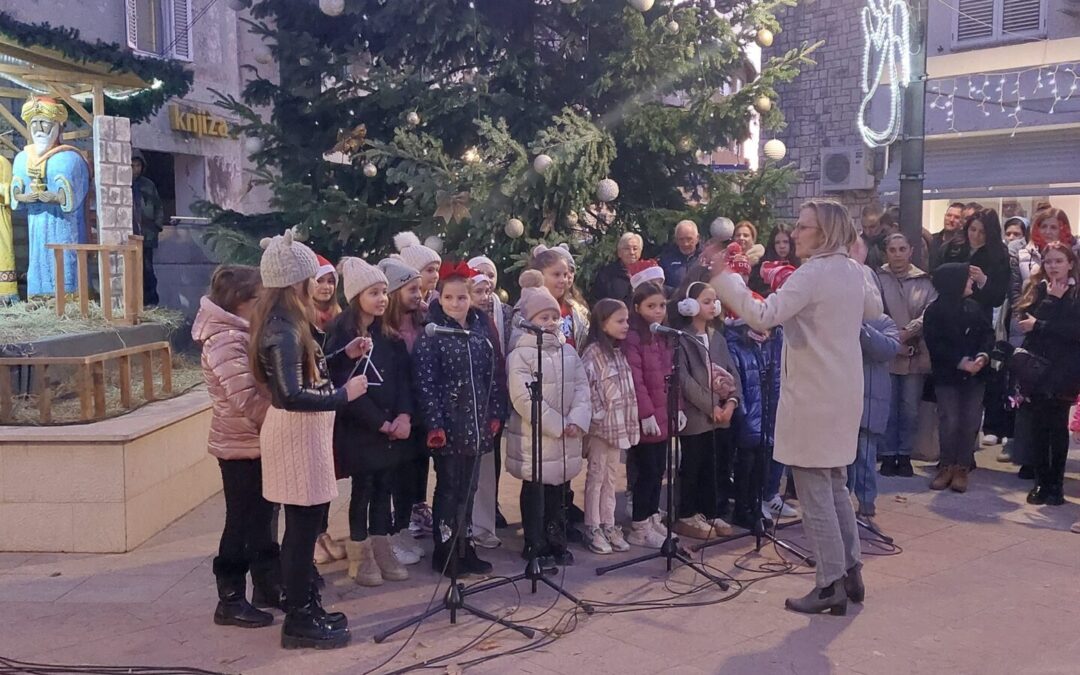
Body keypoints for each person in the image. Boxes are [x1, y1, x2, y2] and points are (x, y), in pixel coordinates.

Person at [708, 198, 883, 616]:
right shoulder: (855, 272)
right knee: (834, 482)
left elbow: (763, 316)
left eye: (804, 226)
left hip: (814, 395)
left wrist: (726, 280)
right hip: (841, 392)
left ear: (823, 233)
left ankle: (829, 583)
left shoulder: (814, 273)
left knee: (814, 490)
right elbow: (874, 310)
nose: (795, 232)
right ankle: (851, 570)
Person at [250, 229, 370, 650]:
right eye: (310, 276)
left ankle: (307, 605)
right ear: (296, 283)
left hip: (307, 436)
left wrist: (342, 357)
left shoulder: (289, 322)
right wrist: (344, 394)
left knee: (307, 524)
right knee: (301, 533)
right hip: (296, 438)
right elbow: (290, 394)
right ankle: (298, 618)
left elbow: (305, 374)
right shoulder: (281, 329)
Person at [192, 265, 277, 629]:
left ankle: (266, 586)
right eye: (259, 299)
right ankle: (229, 599)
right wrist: (281, 421)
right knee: (241, 523)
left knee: (260, 520)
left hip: (253, 442)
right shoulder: (226, 340)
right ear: (241, 302)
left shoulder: (240, 332)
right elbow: (246, 398)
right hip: (239, 445)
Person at [412, 262, 507, 577]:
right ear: (440, 298)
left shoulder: (480, 331)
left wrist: (495, 412)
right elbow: (425, 384)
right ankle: (446, 549)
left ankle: (467, 547)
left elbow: (492, 375)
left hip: (477, 424)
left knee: (469, 486)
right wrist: (435, 423)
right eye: (449, 298)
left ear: (470, 298)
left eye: (461, 298)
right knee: (449, 487)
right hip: (448, 426)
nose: (455, 304)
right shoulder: (433, 334)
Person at [325, 258, 413, 586]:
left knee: (384, 488)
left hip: (391, 427)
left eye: (384, 292)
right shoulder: (340, 335)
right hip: (360, 430)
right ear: (356, 296)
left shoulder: (388, 335)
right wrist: (378, 422)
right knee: (363, 490)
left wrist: (404, 415)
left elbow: (405, 378)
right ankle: (360, 556)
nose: (382, 299)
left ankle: (382, 544)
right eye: (374, 293)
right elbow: (342, 384)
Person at [505, 272, 591, 566]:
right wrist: (555, 424)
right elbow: (523, 397)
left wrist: (576, 419)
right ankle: (534, 542)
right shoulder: (522, 354)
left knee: (557, 492)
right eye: (544, 318)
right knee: (535, 491)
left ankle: (556, 540)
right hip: (538, 437)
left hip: (565, 436)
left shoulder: (568, 351)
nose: (551, 323)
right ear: (529, 321)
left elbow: (582, 386)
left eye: (554, 317)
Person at [669, 280, 741, 540]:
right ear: (689, 306)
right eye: (707, 301)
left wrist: (731, 402)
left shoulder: (717, 338)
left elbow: (733, 372)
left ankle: (711, 511)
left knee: (717, 466)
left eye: (715, 301)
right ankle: (687, 513)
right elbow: (685, 380)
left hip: (721, 417)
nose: (713, 306)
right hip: (697, 416)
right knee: (693, 465)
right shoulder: (682, 339)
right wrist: (711, 406)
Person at [1012, 242, 1080, 506]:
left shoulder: (1076, 293)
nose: (1053, 267)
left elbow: (1074, 332)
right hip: (1038, 368)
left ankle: (1056, 485)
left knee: (1058, 428)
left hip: (1066, 369)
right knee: (1039, 427)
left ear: (1070, 263)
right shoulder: (1038, 289)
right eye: (1049, 261)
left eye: (1059, 261)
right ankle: (1041, 482)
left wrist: (1042, 325)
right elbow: (1025, 325)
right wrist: (1050, 301)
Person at [921, 263, 994, 494]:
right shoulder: (934, 311)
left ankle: (963, 466)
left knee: (971, 420)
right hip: (947, 375)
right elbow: (935, 344)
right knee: (949, 420)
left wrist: (983, 357)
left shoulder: (974, 307)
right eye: (966, 278)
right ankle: (946, 465)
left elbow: (987, 334)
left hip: (975, 375)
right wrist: (960, 362)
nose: (970, 282)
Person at [724, 286, 792, 527]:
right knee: (746, 465)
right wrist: (742, 417)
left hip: (768, 416)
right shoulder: (735, 345)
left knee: (762, 465)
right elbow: (738, 384)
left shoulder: (773, 343)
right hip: (747, 418)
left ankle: (756, 505)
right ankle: (743, 509)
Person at [11, 96, 90, 297]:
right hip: (36, 223)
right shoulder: (23, 158)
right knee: (37, 259)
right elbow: (16, 192)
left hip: (62, 225)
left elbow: (74, 196)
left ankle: (66, 297)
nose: (38, 129)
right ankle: (38, 295)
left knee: (62, 260)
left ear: (58, 126)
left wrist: (56, 197)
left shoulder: (70, 158)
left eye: (44, 123)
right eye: (34, 123)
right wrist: (23, 197)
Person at [376, 257, 428, 564]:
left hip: (418, 413)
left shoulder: (421, 321)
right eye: (412, 289)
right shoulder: (385, 330)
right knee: (391, 478)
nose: (419, 294)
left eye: (419, 288)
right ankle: (389, 537)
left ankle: (404, 527)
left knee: (413, 475)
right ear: (396, 291)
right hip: (394, 414)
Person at [581, 299, 638, 555]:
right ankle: (592, 526)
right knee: (596, 475)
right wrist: (599, 417)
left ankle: (609, 523)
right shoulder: (593, 353)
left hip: (618, 427)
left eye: (627, 320)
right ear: (603, 324)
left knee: (612, 476)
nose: (626, 325)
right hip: (600, 428)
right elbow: (587, 390)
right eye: (620, 321)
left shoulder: (618, 351)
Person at [876, 233, 936, 477]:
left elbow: (930, 311)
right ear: (886, 252)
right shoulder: (877, 279)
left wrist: (908, 332)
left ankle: (904, 454)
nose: (898, 254)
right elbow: (872, 309)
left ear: (911, 251)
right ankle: (888, 454)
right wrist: (892, 339)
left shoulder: (923, 280)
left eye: (902, 249)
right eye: (893, 249)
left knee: (910, 407)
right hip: (887, 352)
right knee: (887, 406)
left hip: (914, 352)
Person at [623, 278, 674, 548]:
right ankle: (639, 526)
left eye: (662, 305)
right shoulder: (634, 337)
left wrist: (675, 408)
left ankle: (653, 517)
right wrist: (646, 413)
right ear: (637, 307)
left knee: (659, 471)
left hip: (663, 412)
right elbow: (636, 378)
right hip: (647, 416)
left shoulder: (662, 335)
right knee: (646, 470)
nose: (657, 311)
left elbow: (668, 375)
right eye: (651, 306)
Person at [464, 265, 508, 550]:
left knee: (487, 469)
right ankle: (461, 530)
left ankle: (483, 525)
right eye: (477, 291)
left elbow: (497, 365)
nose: (484, 296)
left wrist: (497, 407)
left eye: (487, 291)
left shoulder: (486, 323)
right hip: (461, 410)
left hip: (486, 407)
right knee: (462, 477)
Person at [850, 313, 901, 528]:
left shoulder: (883, 321)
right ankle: (840, 503)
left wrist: (862, 329)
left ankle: (866, 503)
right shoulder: (836, 313)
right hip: (842, 397)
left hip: (871, 401)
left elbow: (889, 349)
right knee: (841, 460)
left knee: (865, 454)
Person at [131, 151, 165, 307]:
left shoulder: (148, 185)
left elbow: (158, 206)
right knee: (132, 270)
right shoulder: (124, 184)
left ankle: (151, 302)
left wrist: (157, 225)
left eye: (138, 165)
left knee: (148, 269)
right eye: (132, 165)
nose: (135, 169)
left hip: (147, 235)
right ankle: (134, 302)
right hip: (130, 235)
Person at [591, 232, 643, 305]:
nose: (632, 252)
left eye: (635, 249)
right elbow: (598, 303)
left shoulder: (646, 273)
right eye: (627, 249)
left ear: (640, 252)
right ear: (619, 252)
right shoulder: (606, 274)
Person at [392, 231, 441, 309]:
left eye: (437, 270)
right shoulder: (399, 304)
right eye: (430, 270)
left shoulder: (440, 300)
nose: (436, 275)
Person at [659, 220, 702, 292]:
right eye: (681, 239)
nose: (685, 244)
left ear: (697, 238)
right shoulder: (666, 259)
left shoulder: (706, 257)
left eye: (689, 239)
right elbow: (659, 285)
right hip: (674, 301)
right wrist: (676, 293)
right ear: (676, 240)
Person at [928, 202, 965, 271]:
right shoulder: (931, 239)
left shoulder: (964, 245)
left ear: (962, 221)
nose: (951, 220)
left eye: (956, 217)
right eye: (949, 215)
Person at [312, 256, 342, 331]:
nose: (326, 287)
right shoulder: (300, 316)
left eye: (330, 281)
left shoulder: (339, 316)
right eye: (319, 281)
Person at [860, 205, 887, 270]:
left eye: (872, 227)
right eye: (864, 227)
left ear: (882, 225)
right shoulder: (858, 244)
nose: (867, 231)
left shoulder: (890, 244)